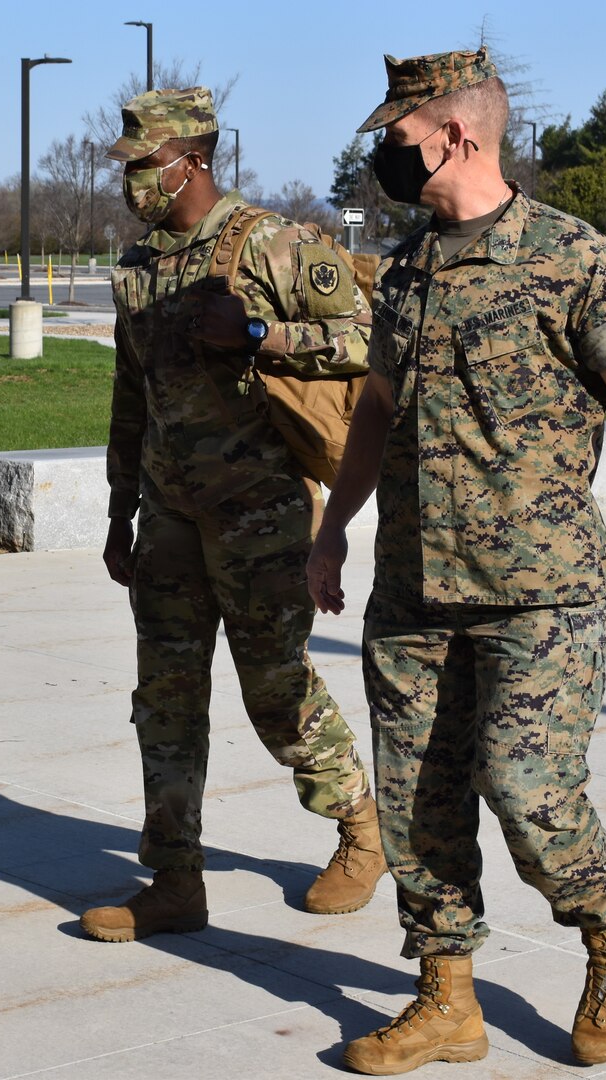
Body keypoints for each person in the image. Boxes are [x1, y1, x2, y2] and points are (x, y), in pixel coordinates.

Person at [306, 49, 606, 1073]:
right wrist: (334, 524)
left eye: (396, 137)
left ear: (455, 135)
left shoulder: (570, 255)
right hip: (413, 588)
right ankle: (447, 1001)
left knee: (526, 786)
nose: (384, 156)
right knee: (415, 798)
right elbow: (378, 415)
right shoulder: (404, 269)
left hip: (542, 589)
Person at [81, 87, 385, 944]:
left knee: (275, 688)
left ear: (192, 159)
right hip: (168, 514)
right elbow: (128, 395)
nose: (133, 179)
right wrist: (116, 511)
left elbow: (375, 339)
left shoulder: (271, 244)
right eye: (129, 164)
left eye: (144, 163)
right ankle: (175, 879)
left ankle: (362, 829)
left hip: (263, 515)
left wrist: (261, 335)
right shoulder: (138, 267)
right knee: (165, 698)